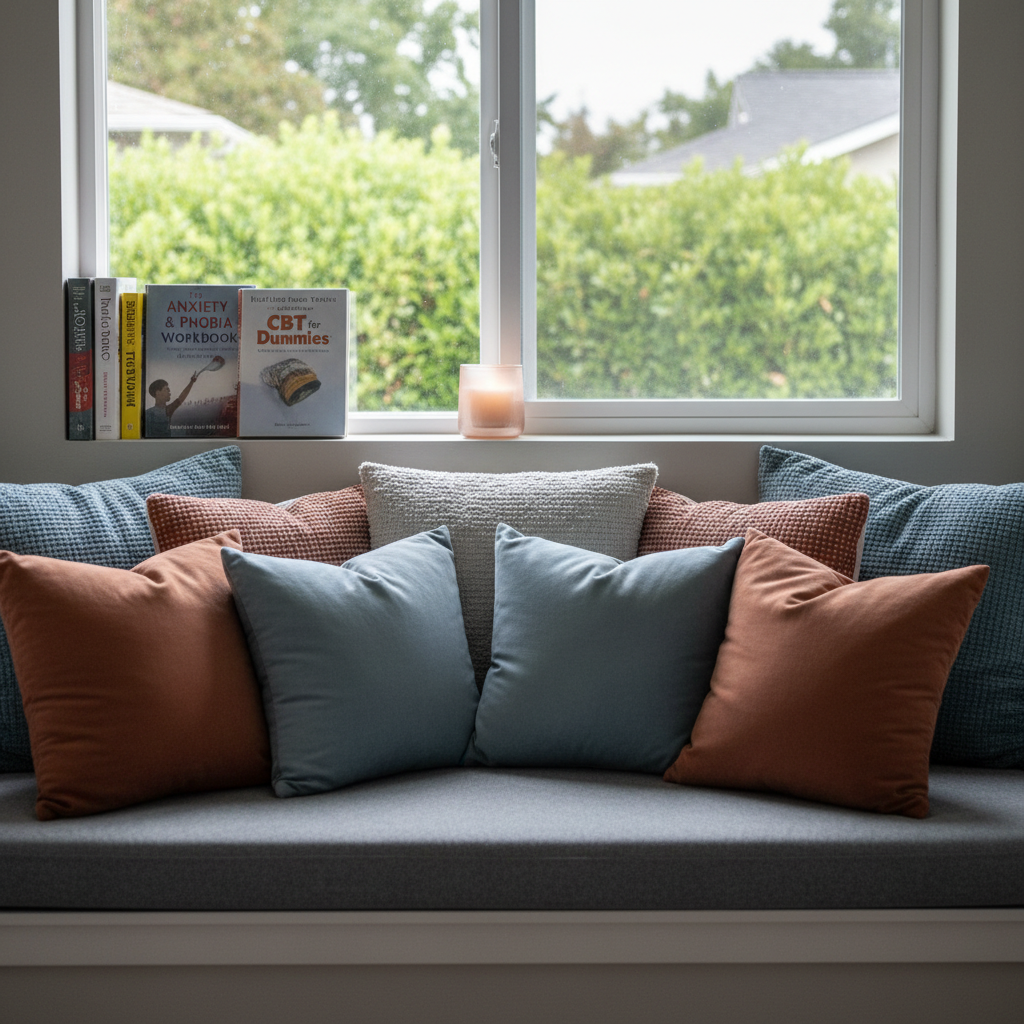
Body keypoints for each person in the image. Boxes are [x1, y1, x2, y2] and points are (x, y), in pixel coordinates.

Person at [145, 372, 198, 437]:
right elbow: (181, 398)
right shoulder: (165, 411)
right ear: (158, 393)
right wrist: (191, 382)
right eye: (166, 389)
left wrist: (191, 382)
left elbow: (180, 398)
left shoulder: (147, 413)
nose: (169, 392)